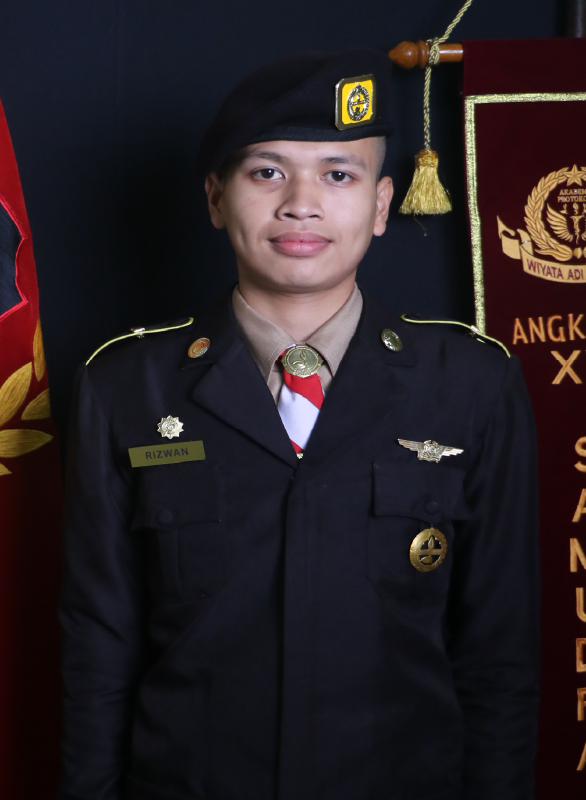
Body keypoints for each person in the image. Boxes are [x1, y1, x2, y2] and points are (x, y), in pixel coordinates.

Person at [58, 50, 539, 800]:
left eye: (338, 175)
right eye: (267, 172)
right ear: (216, 197)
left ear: (382, 205)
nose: (301, 204)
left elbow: (499, 658)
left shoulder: (470, 384)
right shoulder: (125, 386)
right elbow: (98, 652)